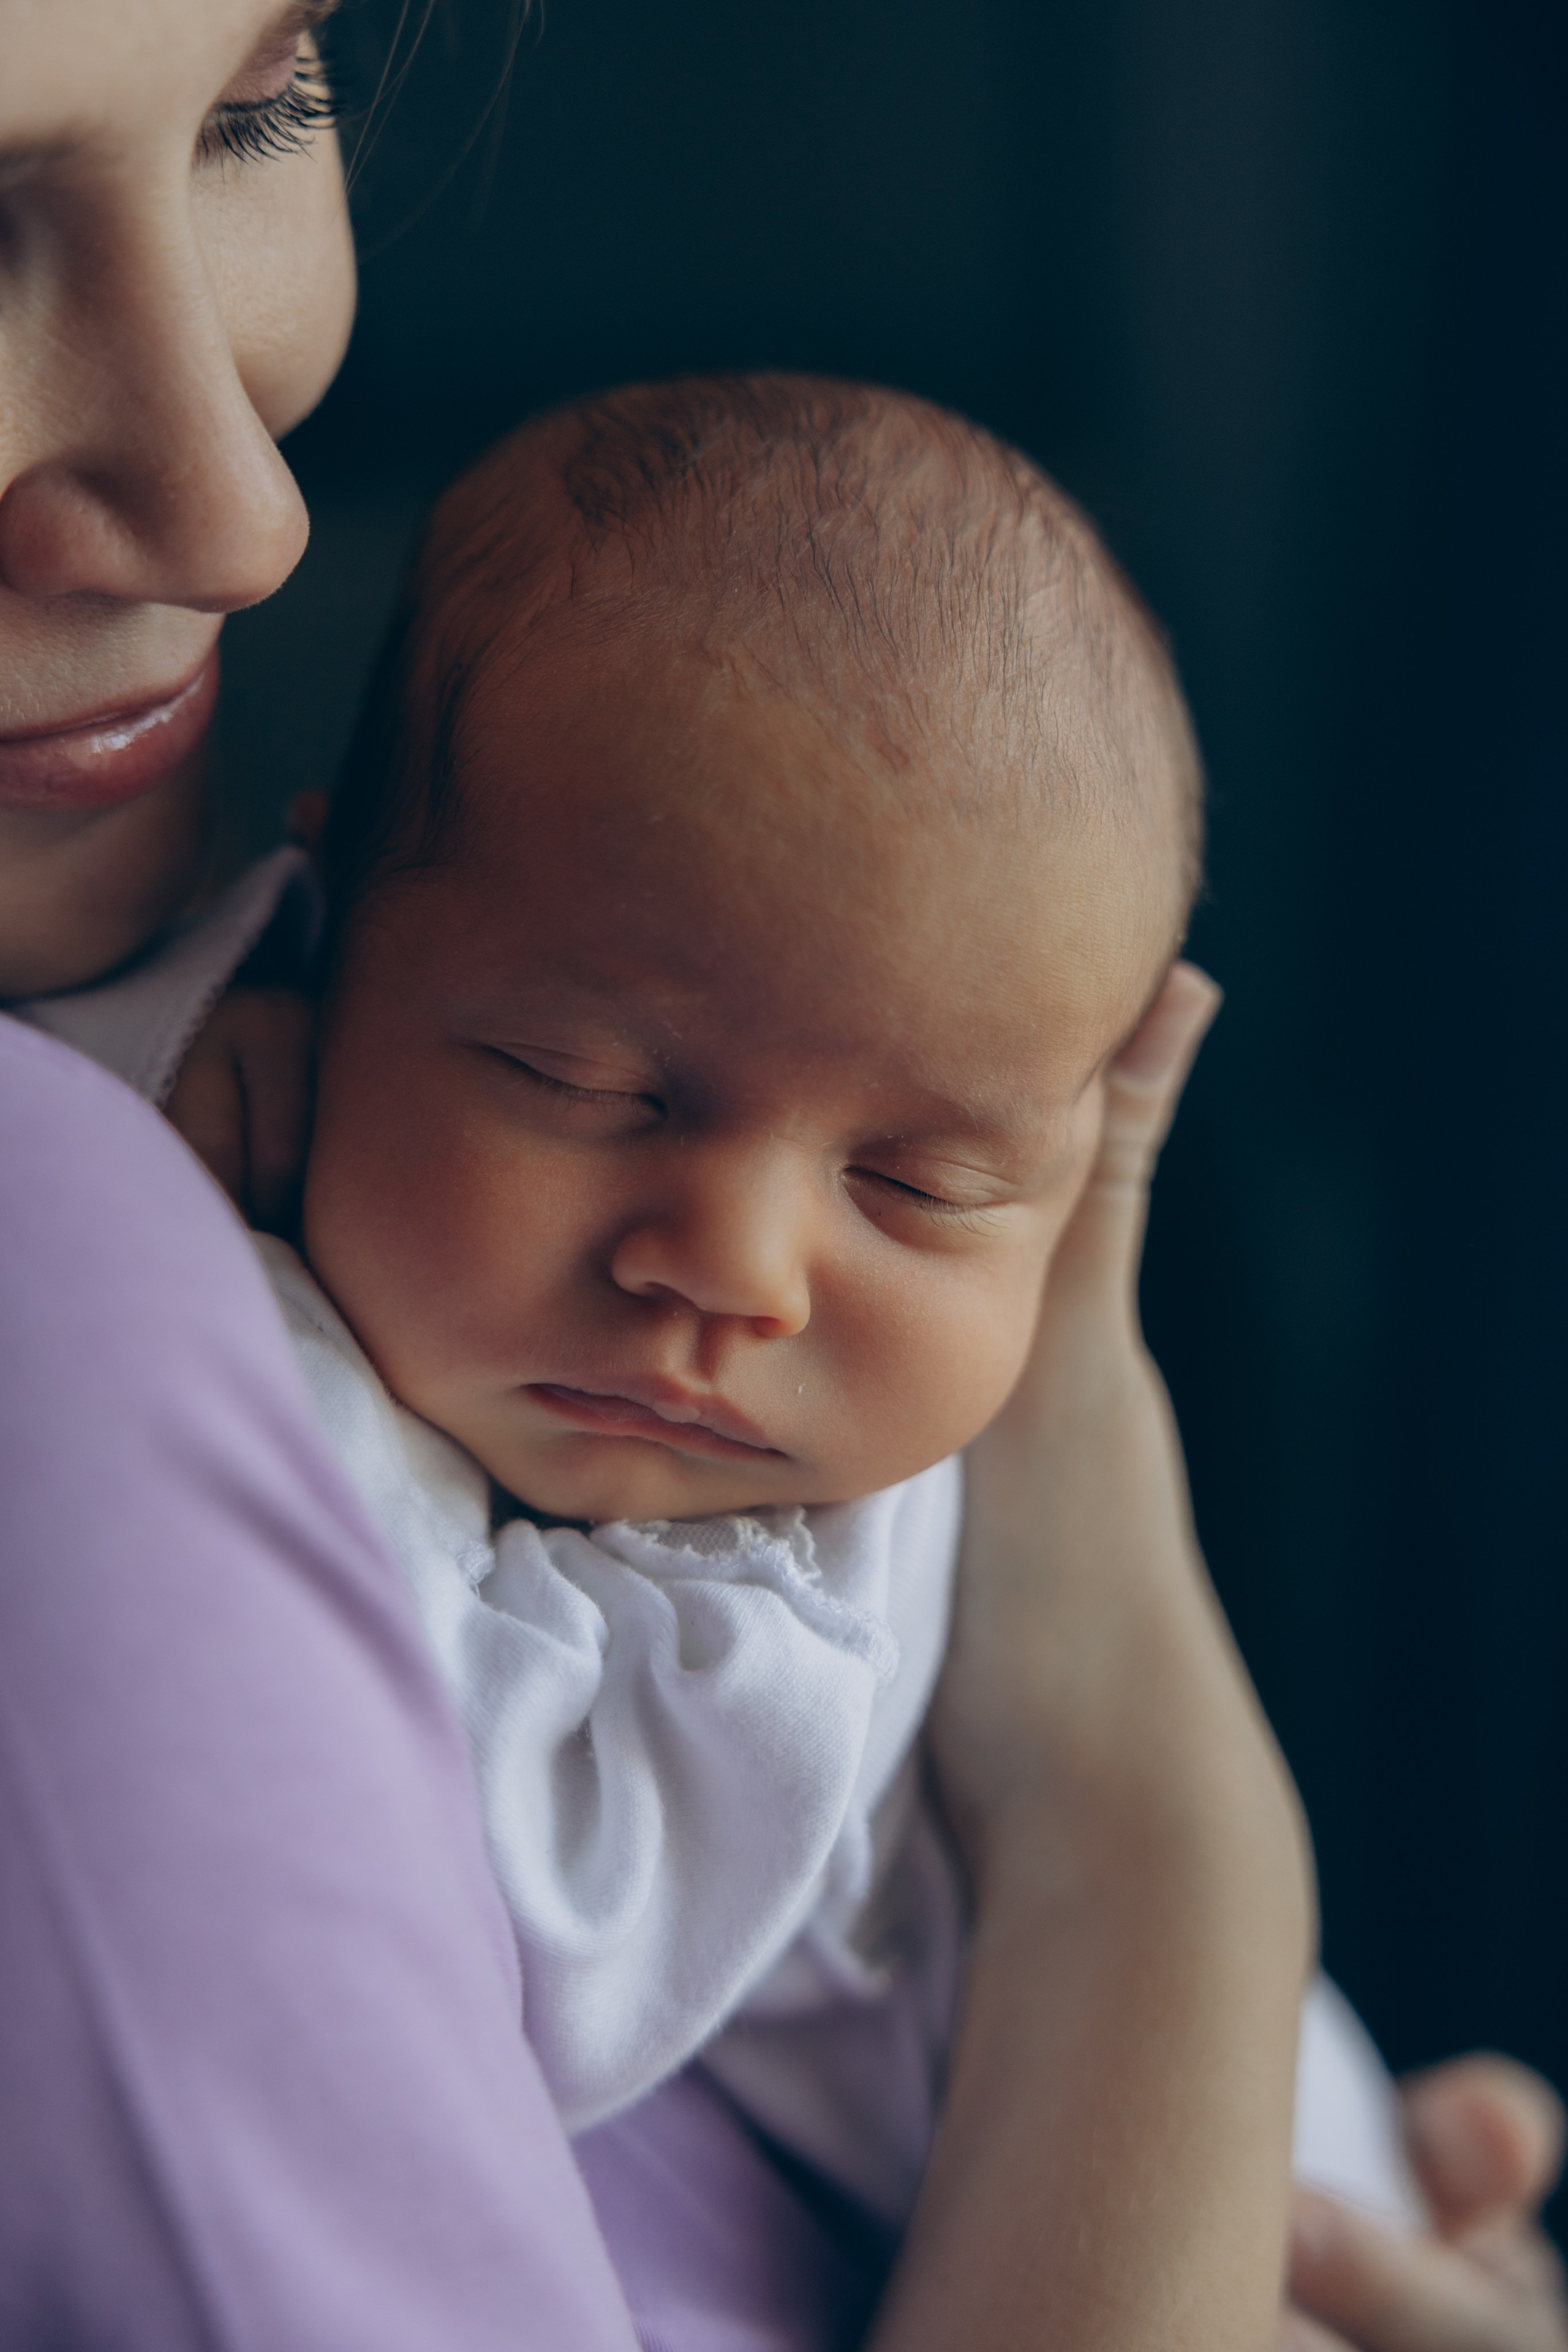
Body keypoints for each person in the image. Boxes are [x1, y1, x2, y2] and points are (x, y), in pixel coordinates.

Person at [0, 4, 1560, 2347]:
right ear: (348, 940)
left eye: (261, 104)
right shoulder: (80, 1261)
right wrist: (1155, 1811)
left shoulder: (794, 1607)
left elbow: (561, 1920)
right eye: (570, 1075)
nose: (733, 1271)